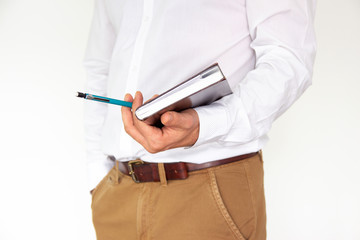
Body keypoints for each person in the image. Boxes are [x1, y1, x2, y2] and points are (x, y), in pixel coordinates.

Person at [83, 0, 316, 239]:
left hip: (208, 191)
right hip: (116, 196)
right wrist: (97, 176)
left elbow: (288, 58)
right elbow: (100, 65)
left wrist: (207, 124)